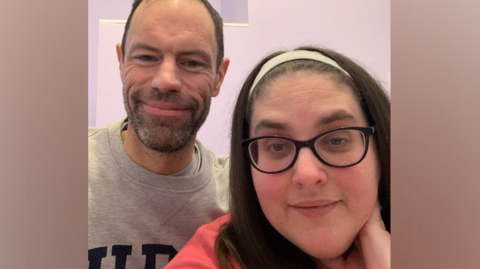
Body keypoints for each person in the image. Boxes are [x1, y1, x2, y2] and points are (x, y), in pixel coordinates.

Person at [164, 46, 391, 269]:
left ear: (380, 149)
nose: (307, 174)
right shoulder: (211, 258)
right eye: (277, 146)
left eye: (336, 141)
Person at [88, 0, 230, 268]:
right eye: (146, 57)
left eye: (191, 61)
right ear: (121, 63)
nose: (165, 80)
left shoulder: (242, 197)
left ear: (218, 77)